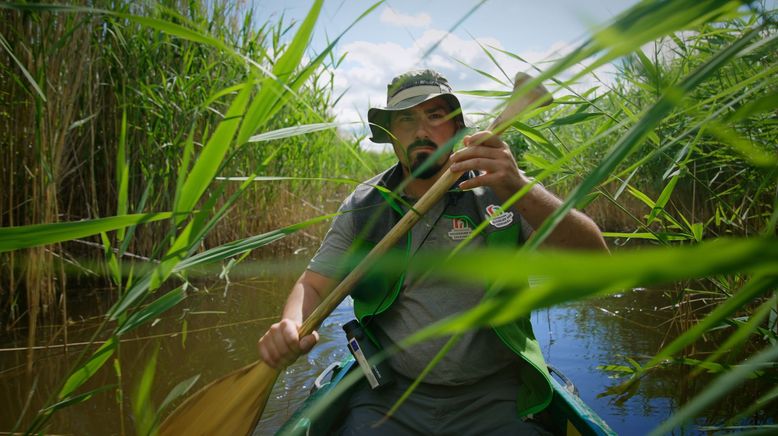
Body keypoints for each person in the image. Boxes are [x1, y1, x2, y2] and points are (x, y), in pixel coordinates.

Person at [258, 69, 608, 434]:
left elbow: (595, 263)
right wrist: (291, 324)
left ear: (457, 128)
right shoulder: (364, 204)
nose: (421, 131)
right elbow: (314, 285)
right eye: (406, 119)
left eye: (435, 116)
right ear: (391, 135)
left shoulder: (502, 189)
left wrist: (520, 186)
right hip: (390, 395)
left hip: (497, 394)